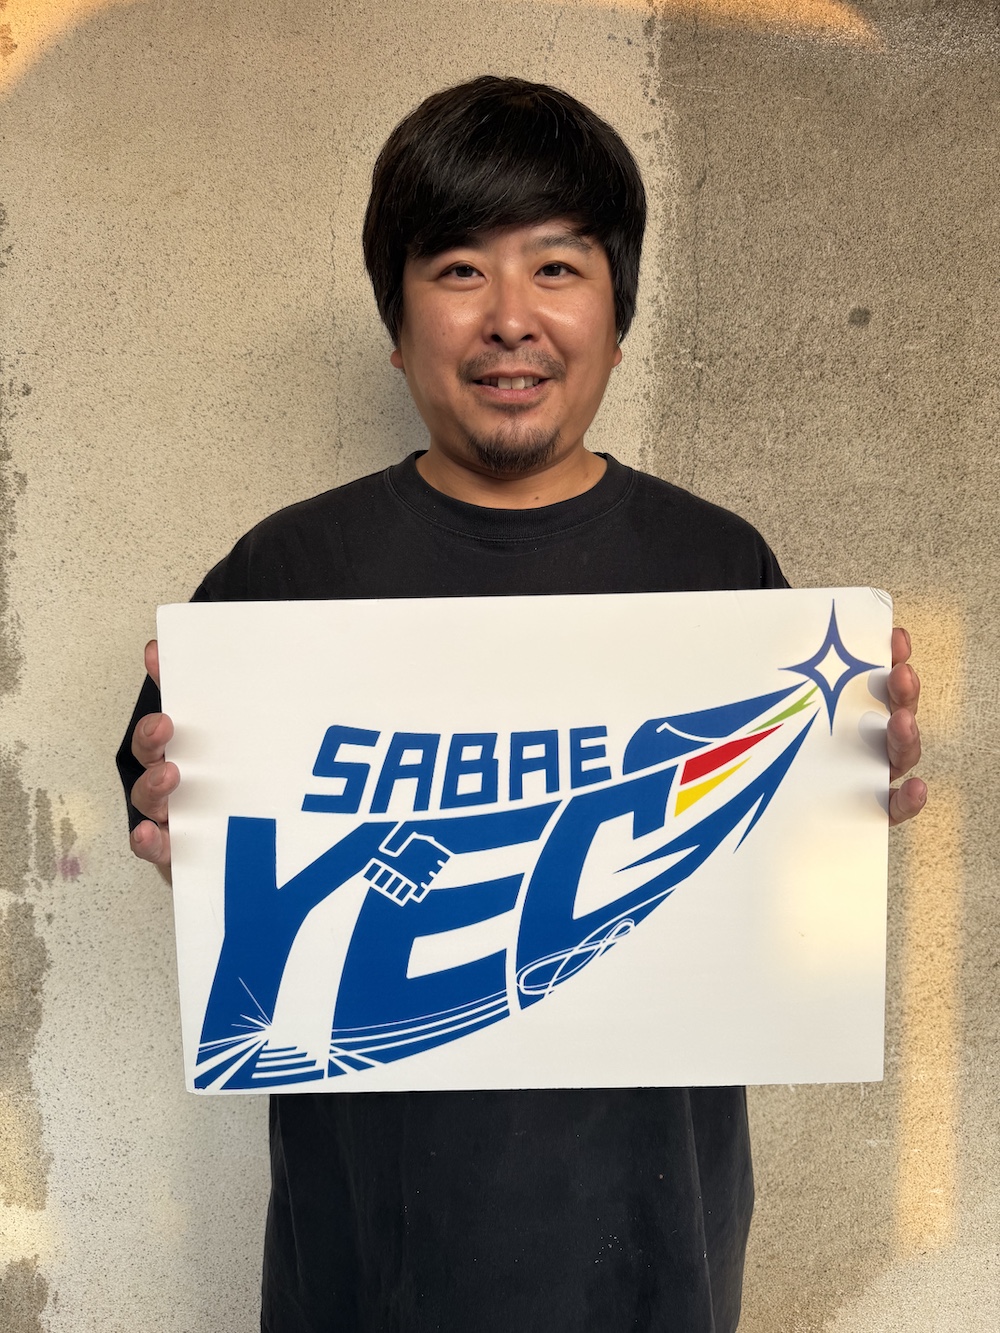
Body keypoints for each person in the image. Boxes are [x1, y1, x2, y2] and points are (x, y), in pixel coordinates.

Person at [117, 77, 924, 1333]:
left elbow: (766, 897)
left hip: (656, 1253)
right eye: (457, 270)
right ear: (397, 324)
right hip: (366, 1260)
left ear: (617, 316)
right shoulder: (286, 575)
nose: (508, 318)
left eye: (556, 267)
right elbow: (197, 844)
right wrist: (187, 831)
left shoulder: (717, 569)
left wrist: (849, 800)